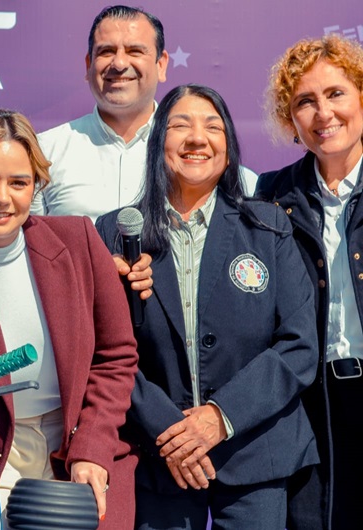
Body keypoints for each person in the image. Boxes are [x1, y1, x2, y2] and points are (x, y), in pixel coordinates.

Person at [97, 84, 319, 529]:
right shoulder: (115, 232)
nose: (197, 138)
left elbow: (298, 345)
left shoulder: (269, 227)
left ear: (229, 147)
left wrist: (220, 417)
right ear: (158, 143)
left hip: (255, 453)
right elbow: (105, 350)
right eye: (181, 126)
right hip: (159, 457)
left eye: (212, 127)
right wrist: (171, 432)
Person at [0, 109, 139, 529]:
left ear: (35, 185)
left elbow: (116, 356)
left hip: (79, 439)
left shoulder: (79, 241)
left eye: (18, 182)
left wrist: (92, 449)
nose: (2, 198)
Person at [256, 34, 363, 530]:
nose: (324, 113)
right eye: (305, 101)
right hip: (308, 402)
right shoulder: (271, 195)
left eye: (336, 93)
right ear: (291, 121)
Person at [32, 5, 257, 222]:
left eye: (135, 51)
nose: (119, 63)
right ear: (88, 65)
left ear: (161, 65)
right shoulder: (46, 152)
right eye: (106, 51)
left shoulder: (192, 154)